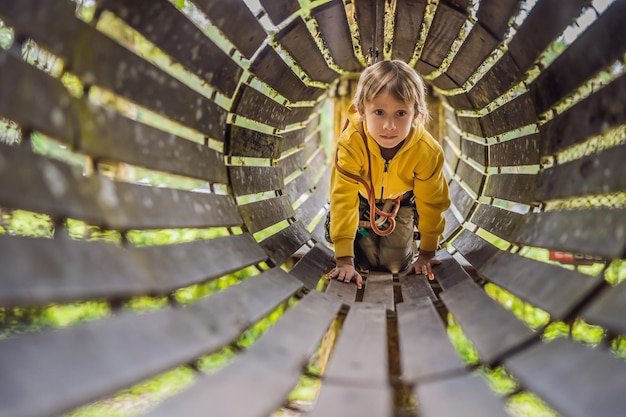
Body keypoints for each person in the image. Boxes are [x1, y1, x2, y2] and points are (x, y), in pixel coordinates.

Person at [325, 59, 450, 289]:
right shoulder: (352, 142)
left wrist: (426, 253)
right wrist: (344, 260)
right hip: (360, 200)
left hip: (399, 202)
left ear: (415, 113)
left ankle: (379, 237)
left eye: (401, 113)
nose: (389, 125)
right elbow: (343, 199)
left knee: (393, 264)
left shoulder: (426, 150)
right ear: (362, 110)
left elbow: (432, 202)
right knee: (362, 260)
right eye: (379, 112)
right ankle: (353, 237)